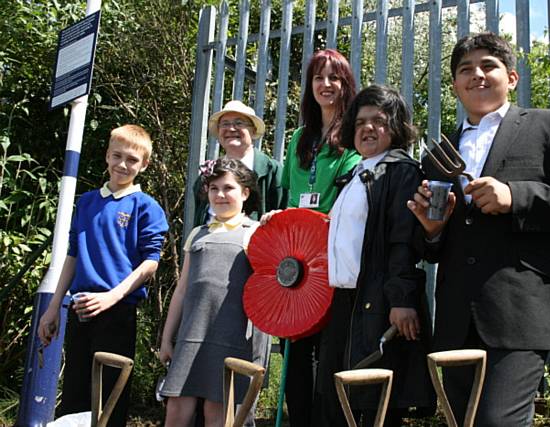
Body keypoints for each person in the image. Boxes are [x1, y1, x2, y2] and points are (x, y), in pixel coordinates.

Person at [408, 32, 550, 426]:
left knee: (496, 421)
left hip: (520, 313)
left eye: (489, 65)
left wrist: (515, 197)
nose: (477, 75)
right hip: (455, 320)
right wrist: (432, 230)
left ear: (513, 77)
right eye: (466, 69)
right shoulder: (439, 153)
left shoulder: (548, 127)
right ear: (455, 85)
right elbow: (431, 247)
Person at [315, 84, 435, 427]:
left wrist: (401, 298)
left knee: (373, 406)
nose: (367, 128)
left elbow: (403, 240)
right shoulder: (355, 173)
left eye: (378, 121)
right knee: (336, 400)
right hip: (345, 303)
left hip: (379, 303)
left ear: (395, 128)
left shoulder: (400, 170)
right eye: (360, 122)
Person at [38, 124, 169, 426]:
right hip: (80, 307)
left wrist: (112, 296)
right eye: (117, 156)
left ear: (144, 164)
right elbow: (73, 254)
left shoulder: (146, 207)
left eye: (132, 159)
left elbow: (150, 263)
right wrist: (54, 306)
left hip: (118, 310)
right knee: (74, 392)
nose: (123, 164)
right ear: (107, 156)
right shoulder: (86, 202)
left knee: (109, 396)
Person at [274, 48, 361, 427]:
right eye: (318, 78)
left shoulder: (357, 136)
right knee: (293, 351)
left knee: (327, 354)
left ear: (346, 85)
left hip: (332, 259)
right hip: (296, 260)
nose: (326, 85)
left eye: (334, 78)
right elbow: (290, 194)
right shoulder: (298, 139)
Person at [158, 158, 270, 427]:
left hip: (231, 338)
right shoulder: (197, 233)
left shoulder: (256, 232)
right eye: (213, 188)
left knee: (217, 413)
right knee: (176, 408)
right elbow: (182, 290)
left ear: (245, 193)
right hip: (190, 336)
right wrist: (167, 338)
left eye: (228, 188)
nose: (220, 195)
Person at [193, 100, 286, 224]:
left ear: (253, 131)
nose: (231, 129)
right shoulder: (208, 174)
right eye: (225, 124)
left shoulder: (273, 172)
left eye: (239, 123)